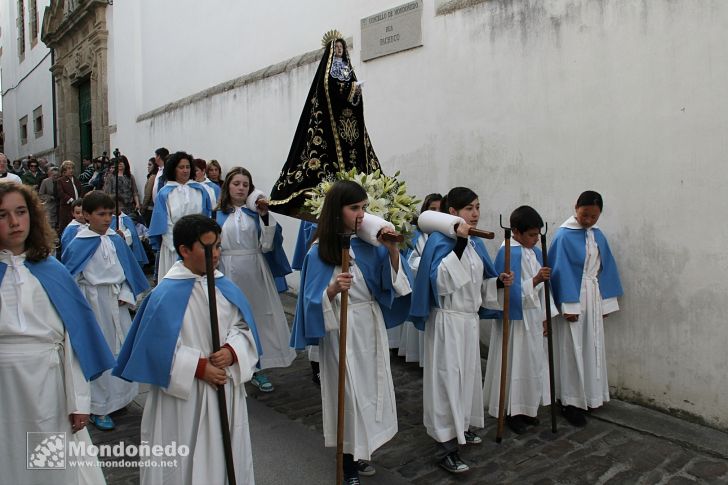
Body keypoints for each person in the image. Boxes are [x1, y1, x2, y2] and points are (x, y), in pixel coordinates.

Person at [114, 214, 262, 485]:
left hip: (224, 386)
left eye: (218, 245)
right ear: (184, 250)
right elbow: (155, 348)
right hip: (184, 396)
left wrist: (232, 351)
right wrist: (198, 366)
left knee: (228, 454)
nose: (216, 253)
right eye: (209, 247)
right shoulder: (164, 295)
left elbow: (243, 327)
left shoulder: (224, 287)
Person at [290, 181, 412, 485]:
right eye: (354, 208)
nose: (361, 214)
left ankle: (361, 452)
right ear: (336, 211)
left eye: (364, 207)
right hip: (339, 328)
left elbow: (389, 283)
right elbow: (309, 301)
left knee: (371, 389)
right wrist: (331, 290)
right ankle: (347, 462)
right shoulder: (319, 251)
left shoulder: (368, 245)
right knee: (348, 394)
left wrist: (393, 250)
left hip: (368, 323)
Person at [0, 182, 114, 485]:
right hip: (3, 388)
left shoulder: (51, 270)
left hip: (48, 385)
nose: (14, 222)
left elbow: (70, 343)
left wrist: (79, 401)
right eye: (3, 215)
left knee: (50, 460)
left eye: (21, 212)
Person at [410, 187, 513, 474]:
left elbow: (478, 284)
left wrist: (498, 283)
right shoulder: (439, 241)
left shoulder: (477, 244)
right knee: (446, 381)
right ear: (452, 213)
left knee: (467, 378)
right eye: (469, 208)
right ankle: (445, 446)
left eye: (478, 207)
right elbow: (441, 283)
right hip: (446, 321)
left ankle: (462, 427)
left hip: (467, 321)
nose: (476, 213)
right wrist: (459, 243)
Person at [62, 192, 149, 431]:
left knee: (119, 349)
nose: (107, 219)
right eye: (101, 214)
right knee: (98, 352)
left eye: (110, 213)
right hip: (93, 305)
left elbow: (129, 273)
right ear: (87, 216)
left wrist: (126, 293)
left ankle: (119, 398)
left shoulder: (117, 240)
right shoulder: (78, 242)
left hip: (116, 303)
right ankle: (98, 406)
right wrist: (82, 308)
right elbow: (70, 279)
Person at [269, 34, 381, 217]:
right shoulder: (328, 70)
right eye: (336, 47)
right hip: (332, 122)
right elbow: (328, 89)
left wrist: (355, 91)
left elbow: (353, 95)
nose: (339, 50)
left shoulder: (347, 68)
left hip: (348, 120)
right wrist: (349, 89)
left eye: (341, 47)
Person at [216, 167, 294, 392]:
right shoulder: (217, 213)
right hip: (227, 271)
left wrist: (264, 215)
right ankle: (233, 364)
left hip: (255, 271)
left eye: (245, 185)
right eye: (236, 183)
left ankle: (259, 367)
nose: (241, 188)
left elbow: (269, 243)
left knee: (259, 318)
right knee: (231, 319)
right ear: (227, 186)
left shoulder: (256, 214)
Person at [549, 190, 623, 427]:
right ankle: (569, 401)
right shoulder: (563, 235)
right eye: (585, 215)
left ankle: (591, 396)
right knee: (572, 347)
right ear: (575, 208)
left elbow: (606, 267)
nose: (589, 220)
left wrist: (606, 301)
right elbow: (560, 271)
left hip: (592, 294)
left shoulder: (598, 235)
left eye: (594, 216)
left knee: (592, 346)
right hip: (574, 297)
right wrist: (568, 305)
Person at [482, 205, 557, 434]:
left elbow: (544, 289)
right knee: (514, 364)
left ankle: (527, 408)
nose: (535, 239)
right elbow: (506, 292)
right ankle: (511, 410)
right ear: (515, 231)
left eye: (537, 235)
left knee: (532, 364)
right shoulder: (508, 252)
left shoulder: (533, 251)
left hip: (533, 317)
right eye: (531, 235)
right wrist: (534, 280)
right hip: (515, 322)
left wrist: (546, 316)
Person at [148, 151, 212, 280]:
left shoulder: (200, 190)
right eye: (181, 167)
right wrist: (178, 247)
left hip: (198, 244)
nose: (185, 170)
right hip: (174, 247)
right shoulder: (165, 193)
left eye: (188, 167)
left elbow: (206, 217)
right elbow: (164, 222)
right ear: (173, 169)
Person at [395, 193, 443, 366]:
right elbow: (410, 261)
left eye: (440, 209)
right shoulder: (416, 235)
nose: (436, 213)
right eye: (432, 209)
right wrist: (427, 264)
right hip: (420, 283)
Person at [57, 160, 84, 233]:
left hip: (77, 206)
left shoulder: (76, 180)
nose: (71, 170)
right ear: (64, 170)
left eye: (72, 168)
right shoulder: (61, 180)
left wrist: (80, 200)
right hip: (66, 207)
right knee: (65, 226)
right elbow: (61, 193)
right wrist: (71, 200)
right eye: (68, 168)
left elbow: (81, 191)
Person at [38, 166, 60, 231]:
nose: (56, 177)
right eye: (54, 175)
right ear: (50, 175)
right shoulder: (45, 182)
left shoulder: (60, 181)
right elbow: (40, 194)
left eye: (57, 175)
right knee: (51, 222)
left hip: (59, 204)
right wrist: (50, 197)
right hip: (50, 205)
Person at [141, 157, 158, 226]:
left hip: (150, 208)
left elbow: (148, 194)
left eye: (150, 165)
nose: (148, 167)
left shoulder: (153, 177)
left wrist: (143, 208)